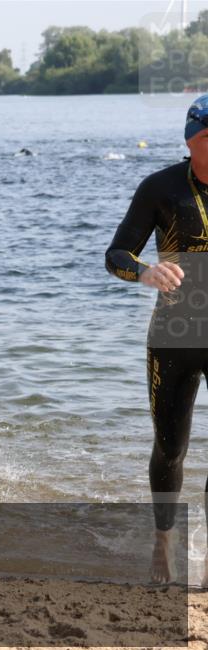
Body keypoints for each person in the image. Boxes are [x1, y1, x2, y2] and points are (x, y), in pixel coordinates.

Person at [105, 94, 208, 584]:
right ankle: (163, 541)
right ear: (190, 139)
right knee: (170, 448)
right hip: (174, 335)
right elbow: (117, 253)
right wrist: (145, 272)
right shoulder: (161, 188)